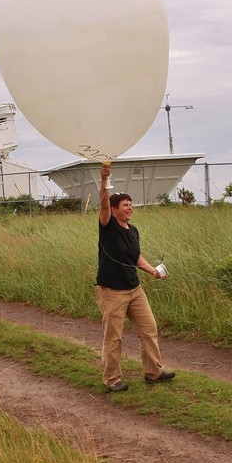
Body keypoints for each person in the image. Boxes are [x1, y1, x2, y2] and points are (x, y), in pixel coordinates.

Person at [95, 163, 175, 392]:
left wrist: (152, 270)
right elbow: (102, 202)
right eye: (125, 205)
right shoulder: (107, 225)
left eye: (130, 205)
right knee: (114, 338)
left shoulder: (133, 230)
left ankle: (154, 372)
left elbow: (135, 257)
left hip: (134, 289)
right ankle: (112, 380)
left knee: (149, 329)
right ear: (114, 209)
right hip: (112, 291)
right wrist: (104, 181)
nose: (129, 208)